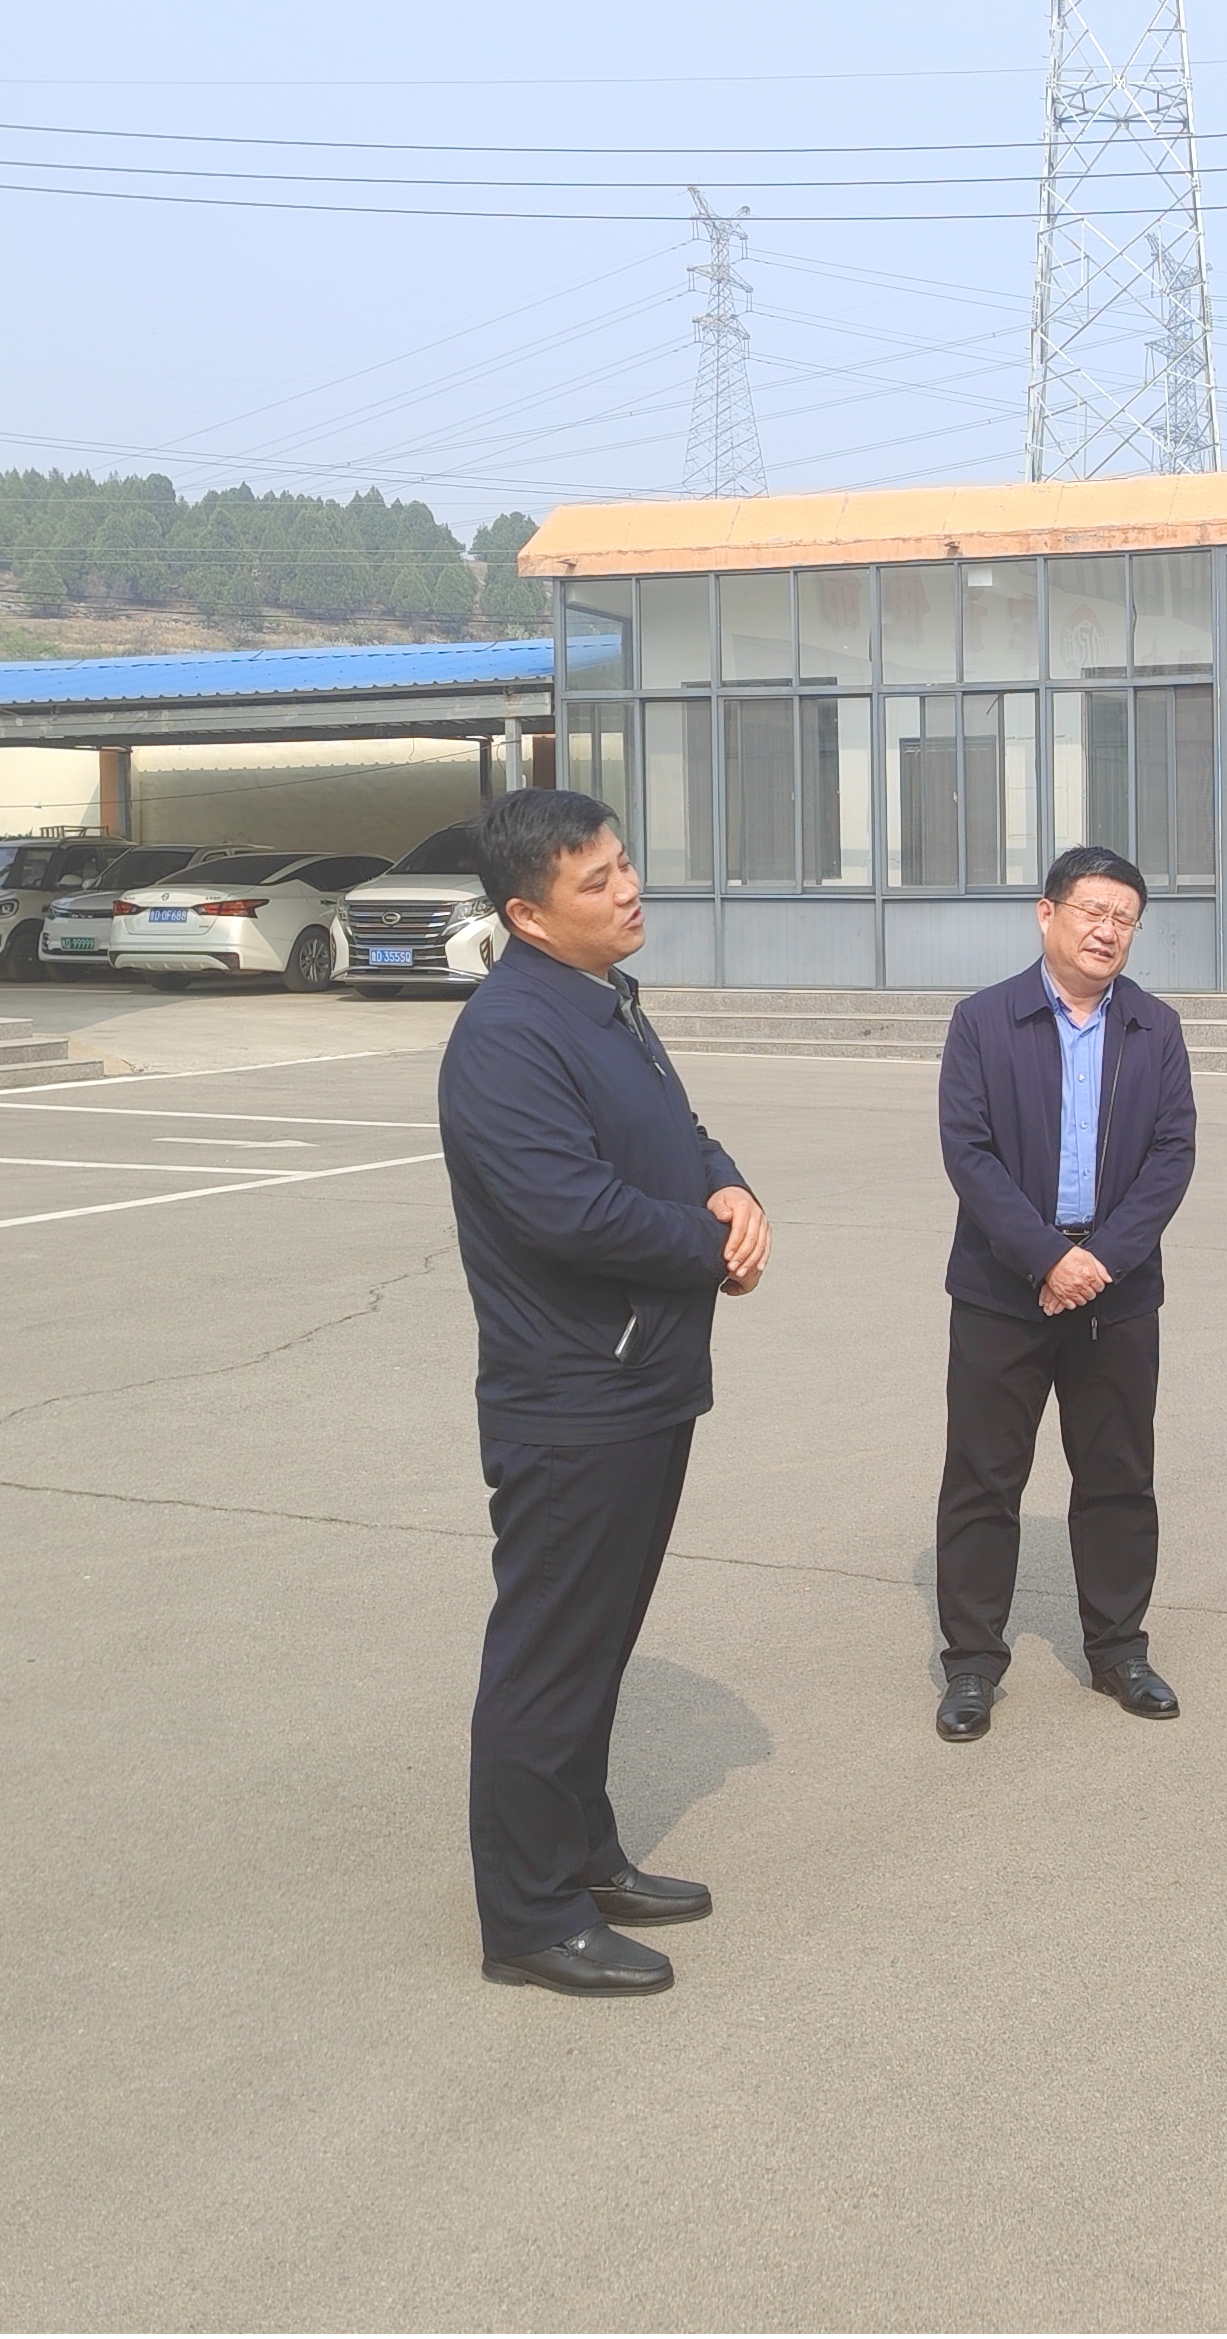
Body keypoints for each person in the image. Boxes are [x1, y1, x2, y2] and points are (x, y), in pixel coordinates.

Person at [437, 787, 769, 1997]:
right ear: (528, 914)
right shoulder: (509, 1036)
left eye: (624, 864)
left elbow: (674, 1131)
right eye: (596, 881)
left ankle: (580, 1857)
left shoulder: (602, 999)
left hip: (641, 1381)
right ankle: (529, 1917)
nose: (628, 890)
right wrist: (708, 1245)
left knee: (598, 1646)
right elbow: (566, 1208)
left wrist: (727, 1185)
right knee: (550, 1657)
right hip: (574, 1396)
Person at [929, 846, 1199, 1744]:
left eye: (1125, 918)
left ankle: (1119, 1648)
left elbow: (1172, 1155)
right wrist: (1048, 1257)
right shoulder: (983, 1021)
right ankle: (973, 1662)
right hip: (1002, 1288)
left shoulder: (1156, 1028)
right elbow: (969, 1153)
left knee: (1118, 1474)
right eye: (1092, 910)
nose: (1107, 930)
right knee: (983, 1476)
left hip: (1117, 1292)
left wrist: (1098, 1261)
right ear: (1046, 914)